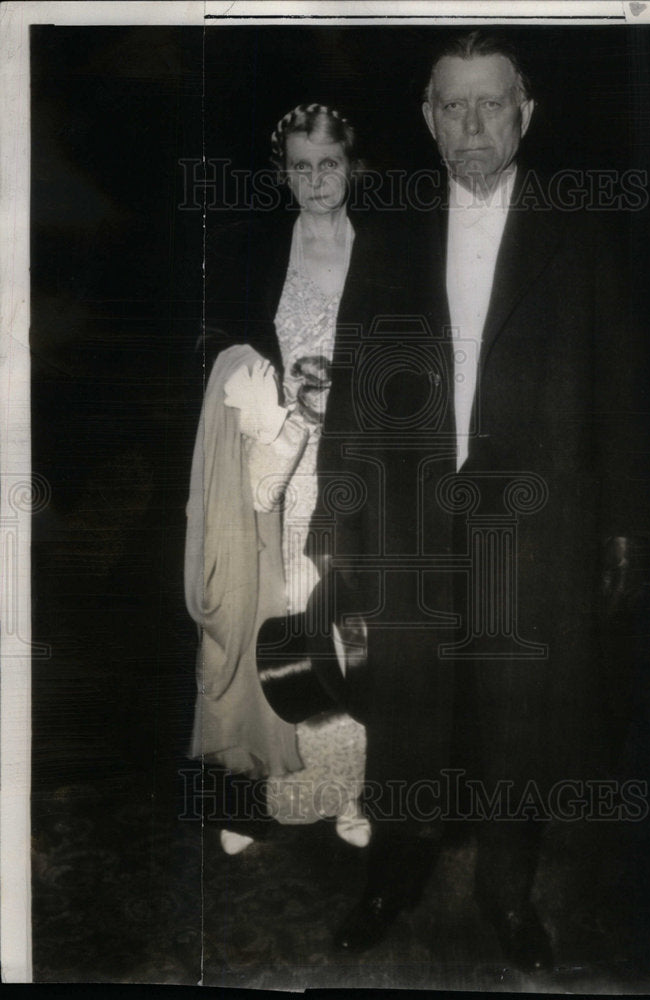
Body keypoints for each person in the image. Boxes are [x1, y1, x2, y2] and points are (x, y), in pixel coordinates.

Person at [315, 31, 650, 971]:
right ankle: (391, 875)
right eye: (451, 105)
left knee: (523, 710)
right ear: (427, 120)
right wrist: (332, 522)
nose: (471, 124)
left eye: (490, 104)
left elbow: (621, 386)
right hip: (407, 520)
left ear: (524, 115)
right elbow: (350, 382)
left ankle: (507, 892)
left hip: (536, 522)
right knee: (410, 706)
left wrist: (625, 525)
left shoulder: (580, 229)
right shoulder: (389, 228)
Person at [185, 103, 371, 854]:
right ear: (283, 171)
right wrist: (263, 388)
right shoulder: (259, 246)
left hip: (353, 468)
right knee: (252, 627)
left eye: (329, 164)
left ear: (351, 165)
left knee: (344, 632)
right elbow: (214, 339)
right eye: (300, 166)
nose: (316, 181)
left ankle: (348, 794)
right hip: (272, 465)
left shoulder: (383, 249)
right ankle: (249, 796)